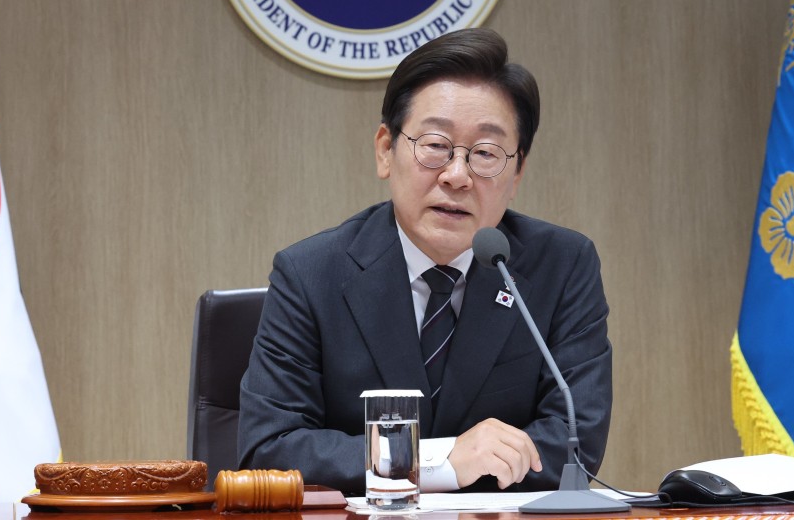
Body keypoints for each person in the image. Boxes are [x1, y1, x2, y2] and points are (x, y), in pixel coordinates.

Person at [237, 27, 613, 494]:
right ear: (385, 151)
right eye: (435, 145)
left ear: (517, 173)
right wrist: (437, 461)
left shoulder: (561, 266)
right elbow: (269, 447)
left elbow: (576, 441)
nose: (457, 176)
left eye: (486, 154)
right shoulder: (311, 274)